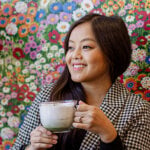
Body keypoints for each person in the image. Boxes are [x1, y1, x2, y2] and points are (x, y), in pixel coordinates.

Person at [11, 13, 150, 150]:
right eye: (71, 47)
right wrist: (32, 147)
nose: (74, 55)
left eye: (86, 47)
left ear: (112, 52)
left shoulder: (138, 110)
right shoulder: (49, 95)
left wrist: (108, 135)